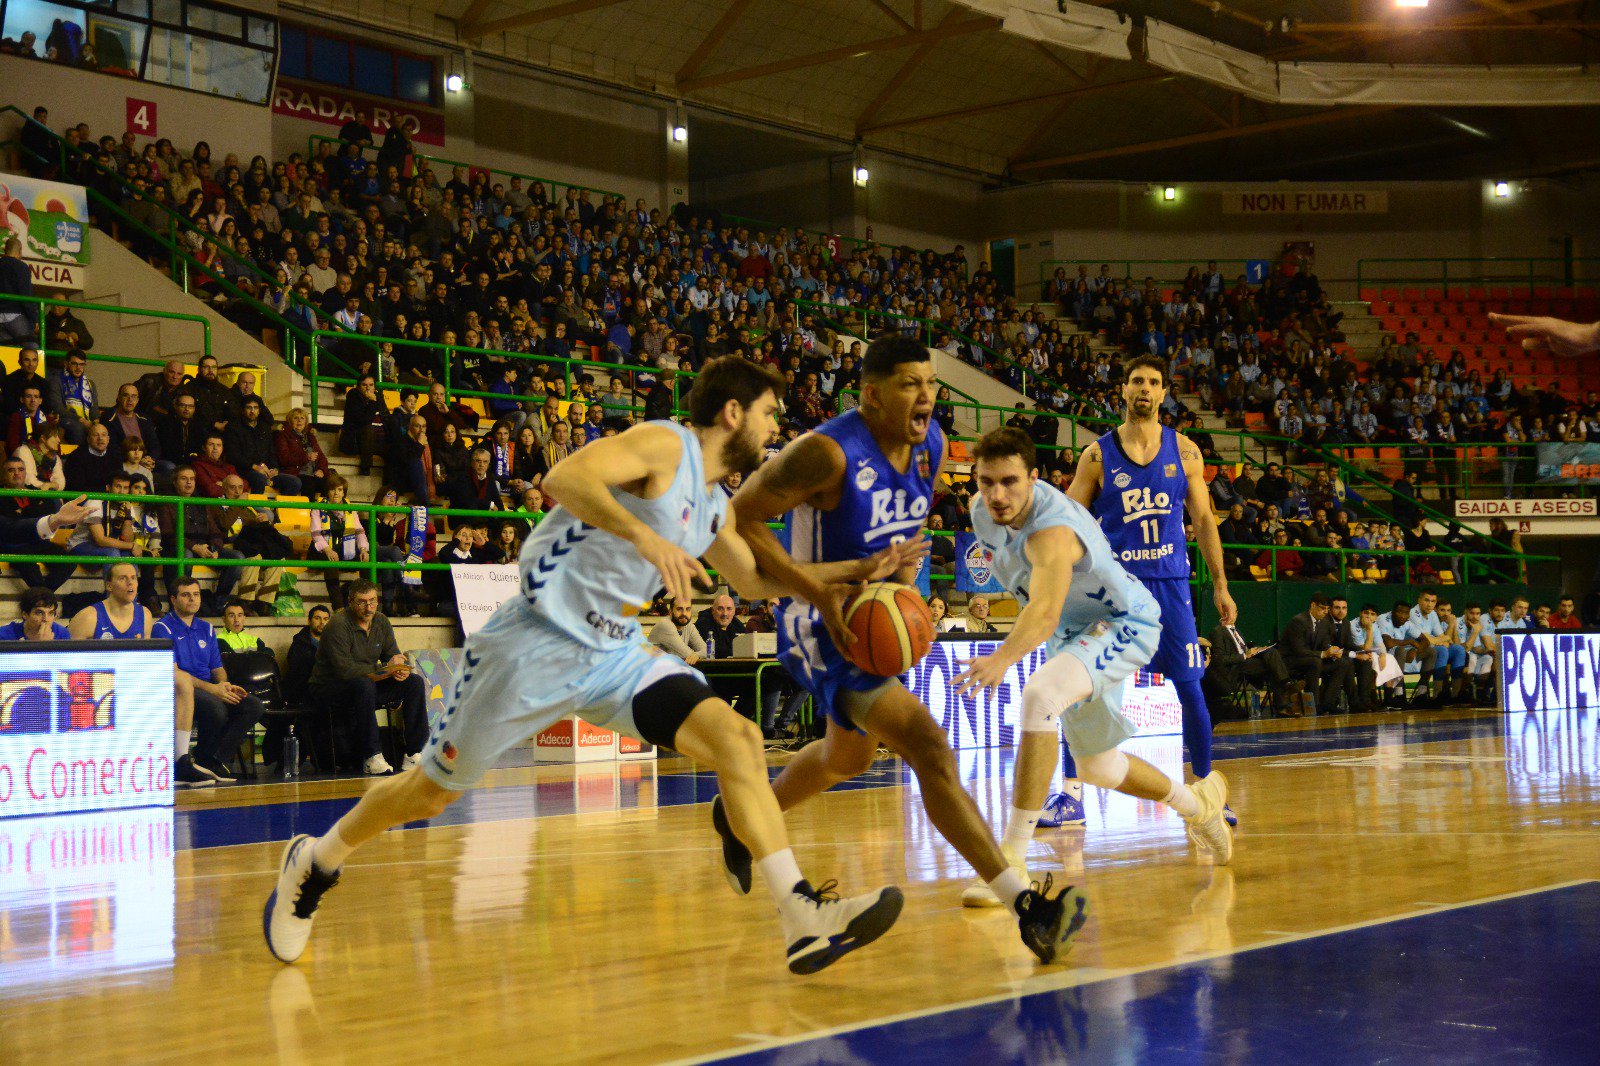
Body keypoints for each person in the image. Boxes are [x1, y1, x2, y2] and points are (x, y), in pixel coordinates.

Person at [265, 357, 918, 975]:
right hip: (534, 644)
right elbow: (564, 478)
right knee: (433, 794)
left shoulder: (716, 503)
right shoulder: (665, 445)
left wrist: (855, 575)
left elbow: (752, 581)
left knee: (739, 739)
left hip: (614, 656)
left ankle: (800, 914)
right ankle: (316, 861)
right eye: (770, 413)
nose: (778, 428)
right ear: (731, 413)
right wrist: (644, 535)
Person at [726, 334, 1087, 966]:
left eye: (930, 382)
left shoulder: (934, 446)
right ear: (870, 394)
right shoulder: (826, 454)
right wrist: (823, 591)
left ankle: (739, 815)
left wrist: (901, 605)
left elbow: (906, 535)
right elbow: (740, 516)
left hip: (866, 612)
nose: (927, 396)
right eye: (909, 384)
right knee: (930, 747)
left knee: (848, 758)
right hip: (815, 620)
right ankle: (1026, 906)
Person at [953, 427, 1232, 910]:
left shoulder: (1052, 532)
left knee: (1040, 695)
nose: (997, 495)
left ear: (1035, 479)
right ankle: (1198, 805)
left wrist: (1001, 658)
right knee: (1099, 767)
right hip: (1074, 631)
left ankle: (1011, 860)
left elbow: (1040, 612)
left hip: (1124, 621)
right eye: (986, 481)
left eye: (1010, 482)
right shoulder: (983, 513)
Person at [1057, 355, 1237, 826]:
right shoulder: (1096, 455)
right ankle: (1071, 796)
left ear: (1163, 394)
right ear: (1123, 389)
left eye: (1153, 382)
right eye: (1136, 380)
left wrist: (1220, 585)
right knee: (1078, 686)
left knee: (1191, 689)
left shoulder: (1187, 452)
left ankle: (1206, 792)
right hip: (1114, 590)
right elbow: (1068, 523)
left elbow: (1203, 522)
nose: (1145, 388)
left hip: (1171, 585)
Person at [67, 562, 212, 788]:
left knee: (182, 679)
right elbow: (69, 668)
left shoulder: (143, 614)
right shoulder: (88, 616)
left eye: (133, 578)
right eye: (123, 578)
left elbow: (145, 658)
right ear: (109, 585)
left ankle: (180, 759)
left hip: (131, 682)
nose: (130, 583)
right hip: (97, 684)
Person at [306, 580, 425, 777]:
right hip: (328, 689)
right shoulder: (338, 624)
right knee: (364, 684)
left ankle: (413, 753)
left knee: (414, 683)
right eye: (362, 602)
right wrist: (384, 668)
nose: (368, 607)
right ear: (350, 602)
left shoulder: (382, 621)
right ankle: (372, 756)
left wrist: (399, 668)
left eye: (372, 601)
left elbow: (392, 657)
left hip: (365, 685)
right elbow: (344, 670)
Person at [155, 578, 265, 784]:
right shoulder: (163, 628)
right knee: (216, 708)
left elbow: (218, 669)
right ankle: (201, 759)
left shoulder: (206, 628)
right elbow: (176, 675)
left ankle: (212, 761)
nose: (192, 599)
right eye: (186, 595)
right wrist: (214, 690)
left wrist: (225, 686)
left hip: (210, 688)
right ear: (173, 599)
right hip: (181, 691)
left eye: (196, 594)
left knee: (253, 706)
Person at [1204, 618, 1294, 717]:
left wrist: (1254, 651)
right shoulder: (1218, 631)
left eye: (1233, 612)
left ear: (1236, 614)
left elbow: (1244, 649)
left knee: (1271, 653)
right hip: (1236, 666)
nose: (1229, 615)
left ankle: (1284, 686)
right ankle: (1284, 690)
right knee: (1273, 666)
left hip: (1247, 661)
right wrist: (1245, 656)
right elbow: (1220, 659)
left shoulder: (1238, 631)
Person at [1280, 593, 1352, 715]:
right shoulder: (1298, 621)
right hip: (1292, 661)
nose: (1325, 612)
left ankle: (1328, 703)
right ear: (1313, 605)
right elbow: (1299, 650)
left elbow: (1325, 644)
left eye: (1327, 609)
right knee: (1316, 661)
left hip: (1312, 661)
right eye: (1322, 608)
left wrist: (1333, 650)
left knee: (1343, 663)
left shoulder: (1323, 623)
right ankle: (1314, 704)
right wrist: (1323, 654)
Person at [1327, 596, 1378, 714]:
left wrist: (1363, 653)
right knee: (1348, 662)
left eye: (1344, 608)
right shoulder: (1325, 622)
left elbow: (1348, 644)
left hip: (1342, 656)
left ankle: (1365, 700)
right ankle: (1354, 702)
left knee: (1366, 660)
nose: (1341, 611)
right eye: (1337, 608)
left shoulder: (1345, 623)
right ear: (1330, 609)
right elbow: (1328, 647)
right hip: (1328, 658)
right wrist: (1355, 655)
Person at [1489, 313, 1600, 358]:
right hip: (1583, 338)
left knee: (1544, 324)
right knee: (1544, 324)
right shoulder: (1558, 346)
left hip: (1584, 338)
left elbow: (1543, 328)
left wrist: (1514, 328)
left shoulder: (1558, 345)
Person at [648, 597, 706, 663]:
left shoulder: (689, 626)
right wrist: (696, 655)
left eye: (688, 609)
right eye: (679, 609)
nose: (684, 613)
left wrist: (697, 655)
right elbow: (686, 654)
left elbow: (707, 651)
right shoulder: (665, 625)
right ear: (670, 612)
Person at [0, 587, 71, 640]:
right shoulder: (4, 635)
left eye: (51, 613)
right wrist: (39, 646)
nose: (45, 619)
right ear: (25, 615)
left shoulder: (62, 634)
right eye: (39, 613)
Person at [695, 593, 746, 659]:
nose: (725, 613)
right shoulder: (703, 624)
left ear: (734, 611)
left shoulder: (737, 625)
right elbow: (715, 651)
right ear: (713, 611)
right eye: (720, 609)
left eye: (729, 609)